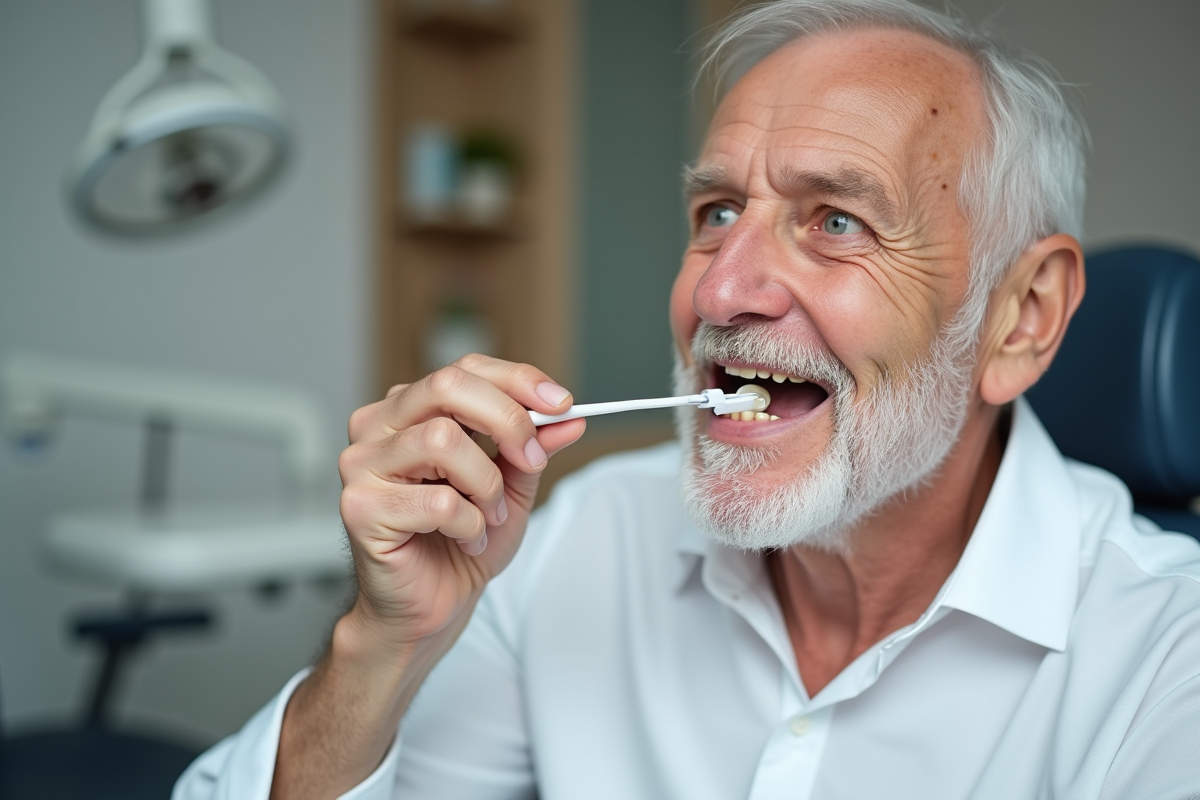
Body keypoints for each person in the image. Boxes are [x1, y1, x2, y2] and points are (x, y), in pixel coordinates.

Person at [174, 1, 1200, 798]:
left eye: (836, 220)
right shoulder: (582, 538)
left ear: (1021, 316)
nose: (717, 290)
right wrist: (378, 647)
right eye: (716, 211)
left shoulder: (1166, 660)